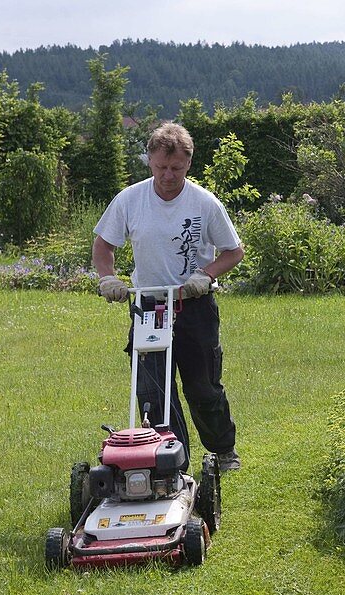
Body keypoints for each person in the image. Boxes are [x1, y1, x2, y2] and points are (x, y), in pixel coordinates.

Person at [92, 122, 244, 473]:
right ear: (149, 161)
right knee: (154, 393)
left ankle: (223, 450)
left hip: (194, 305)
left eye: (176, 168)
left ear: (188, 164)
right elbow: (103, 245)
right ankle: (174, 463)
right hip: (149, 305)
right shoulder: (130, 199)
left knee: (203, 385)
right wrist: (108, 278)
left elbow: (233, 252)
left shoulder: (204, 203)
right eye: (161, 167)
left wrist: (204, 276)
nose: (168, 175)